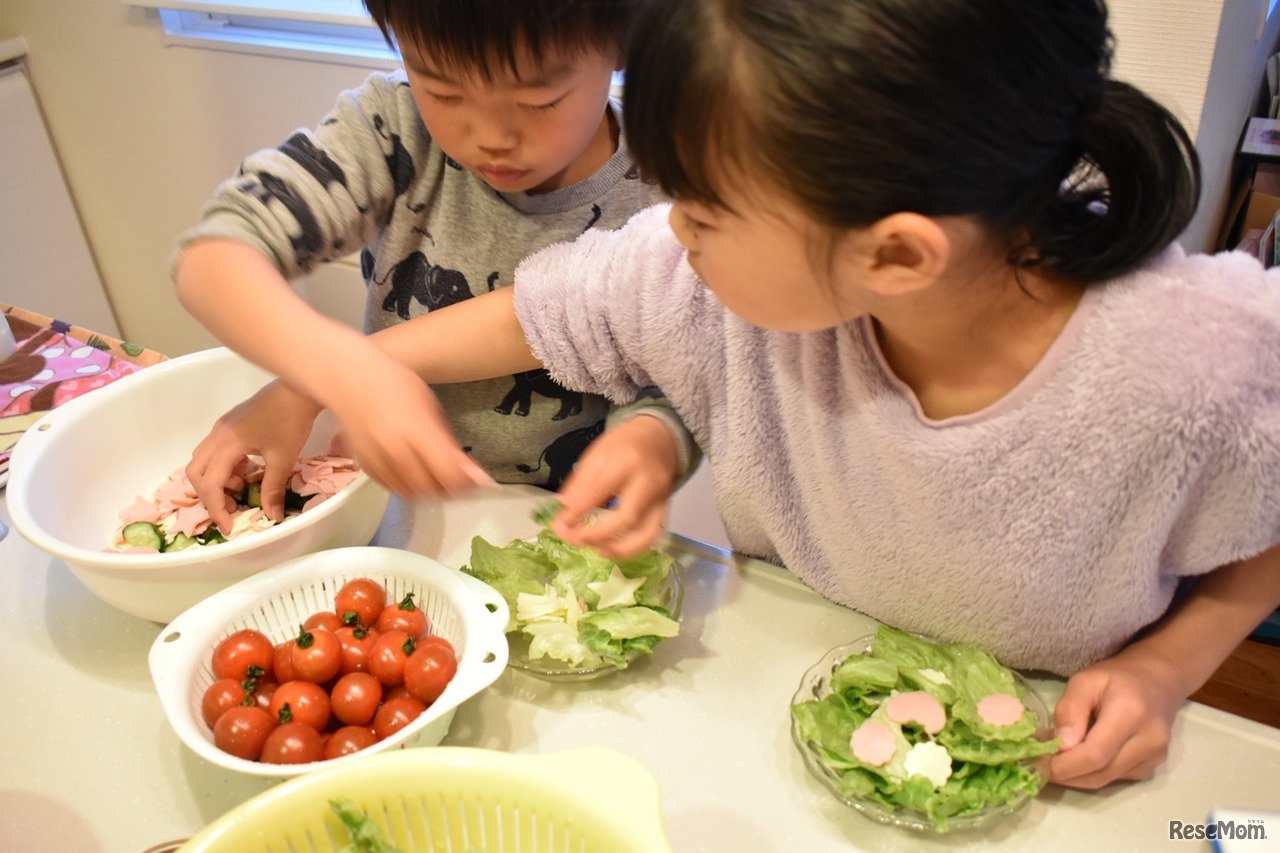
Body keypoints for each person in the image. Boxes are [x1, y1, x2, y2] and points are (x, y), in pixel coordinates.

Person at [193, 0, 1280, 792]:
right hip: (786, 716)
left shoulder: (1192, 358)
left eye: (701, 214)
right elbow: (540, 307)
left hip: (1055, 760)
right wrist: (327, 374)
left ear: (893, 257)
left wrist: (1161, 667)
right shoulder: (718, 280)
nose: (670, 234)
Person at [172, 0, 696, 533]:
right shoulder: (392, 128)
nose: (492, 136)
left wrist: (654, 436)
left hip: (560, 528)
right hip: (397, 508)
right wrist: (333, 374)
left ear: (624, 46)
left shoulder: (670, 188)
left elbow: (687, 369)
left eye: (540, 100)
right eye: (444, 92)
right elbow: (214, 257)